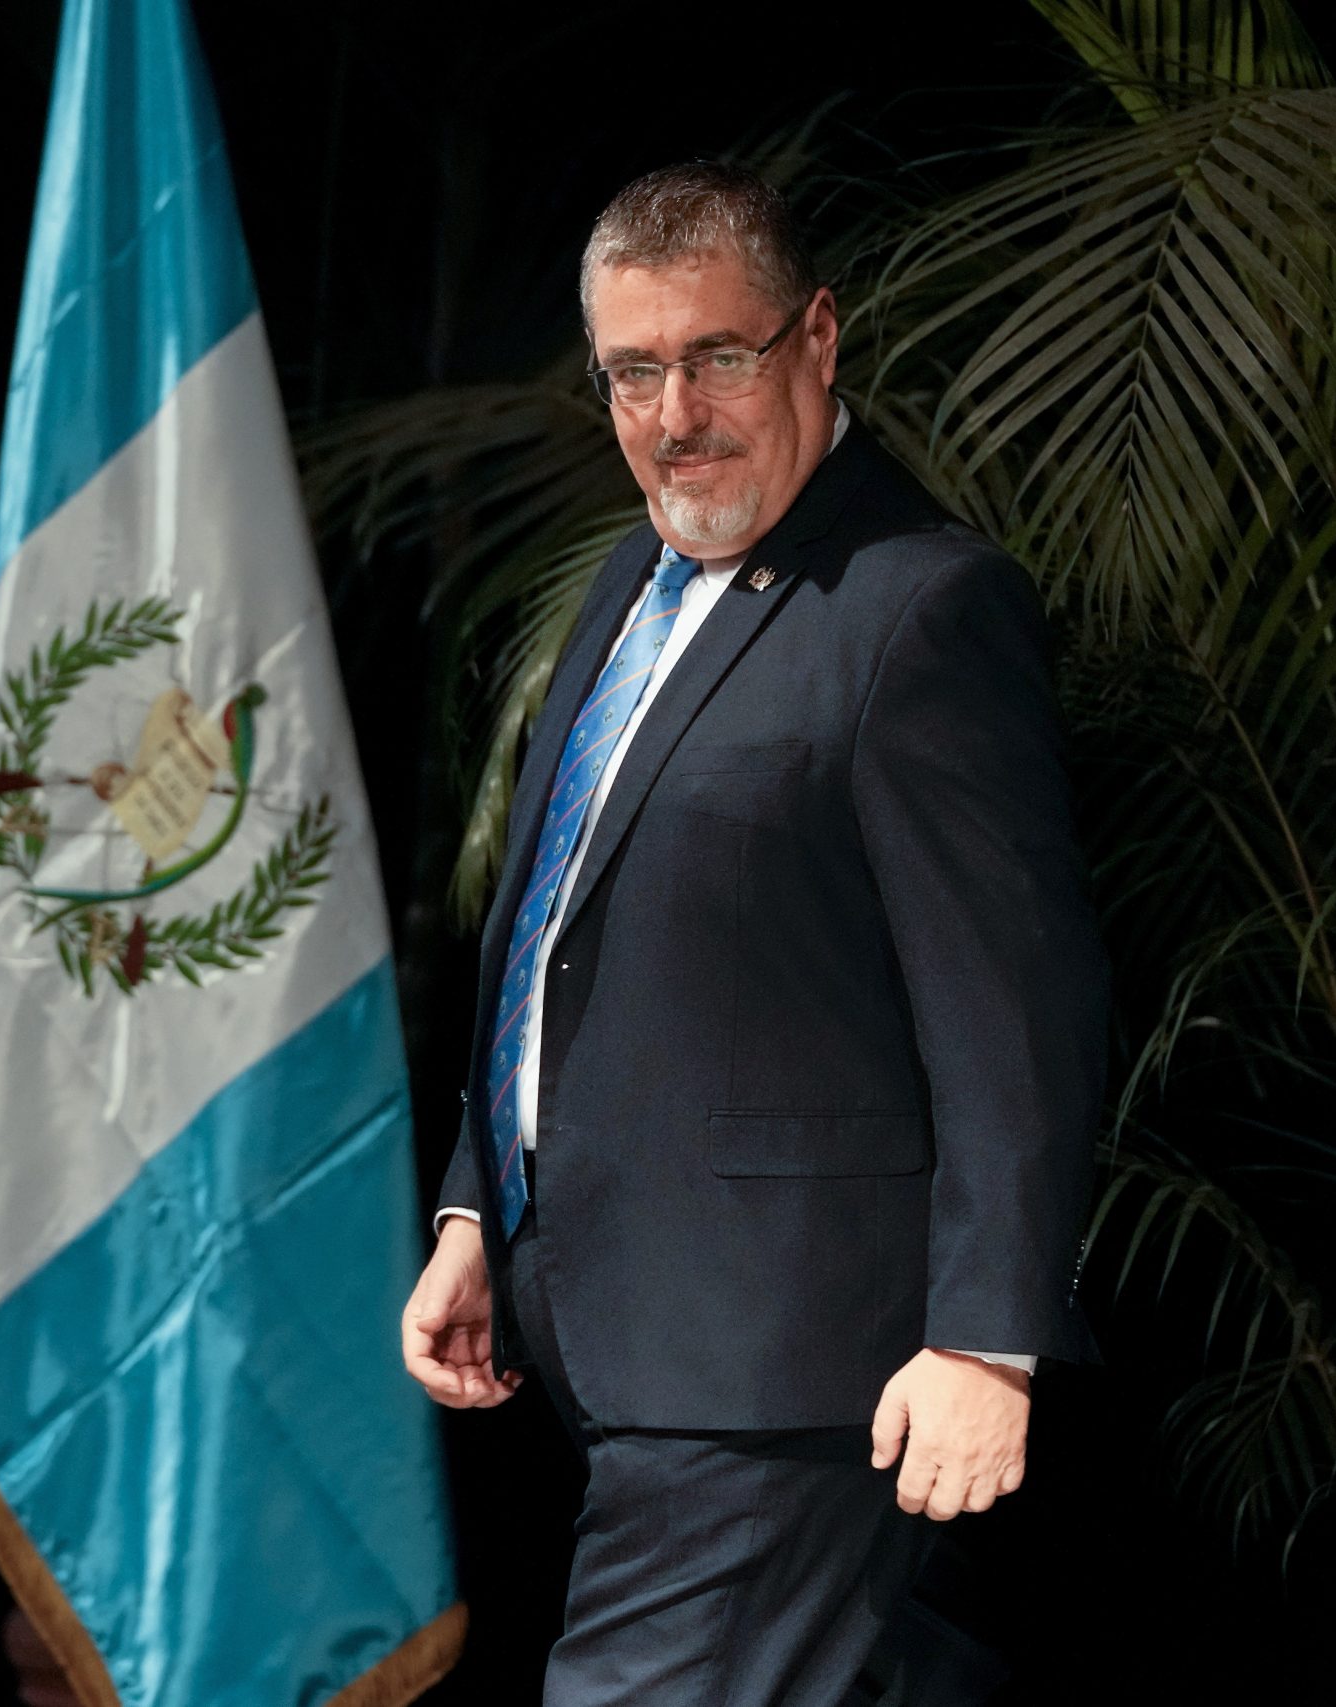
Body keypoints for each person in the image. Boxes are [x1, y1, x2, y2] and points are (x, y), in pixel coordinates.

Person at [400, 161, 1109, 1705]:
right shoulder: (627, 581)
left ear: (817, 339)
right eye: (635, 373)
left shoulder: (918, 610)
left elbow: (1018, 1006)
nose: (675, 415)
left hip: (784, 1374)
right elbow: (561, 935)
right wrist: (478, 1208)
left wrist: (991, 1340)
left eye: (717, 357)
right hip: (609, 1333)